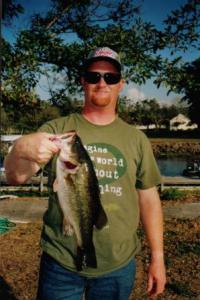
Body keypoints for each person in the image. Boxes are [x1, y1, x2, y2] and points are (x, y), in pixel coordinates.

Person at [4, 47, 166, 300]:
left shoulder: (137, 139)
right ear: (83, 80)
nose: (102, 83)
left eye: (110, 77)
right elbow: (16, 177)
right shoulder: (57, 129)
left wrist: (157, 258)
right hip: (60, 263)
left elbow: (149, 199)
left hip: (119, 264)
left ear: (121, 84)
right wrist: (22, 148)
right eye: (93, 76)